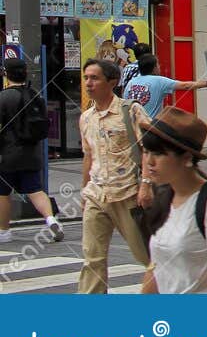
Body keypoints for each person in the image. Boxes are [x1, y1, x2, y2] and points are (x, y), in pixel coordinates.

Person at [137, 107, 207, 294]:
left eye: (158, 154)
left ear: (187, 158)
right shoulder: (164, 198)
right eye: (146, 152)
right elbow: (156, 268)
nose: (149, 162)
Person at [77, 58, 152, 292]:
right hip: (96, 196)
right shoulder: (86, 118)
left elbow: (149, 149)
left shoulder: (130, 110)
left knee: (146, 255)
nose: (89, 83)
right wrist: (84, 190)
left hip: (128, 193)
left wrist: (146, 185)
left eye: (95, 78)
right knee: (93, 259)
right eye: (86, 77)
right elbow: (88, 157)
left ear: (112, 82)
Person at [0, 58, 63, 245]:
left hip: (7, 154)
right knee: (35, 190)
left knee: (2, 193)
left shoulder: (3, 97)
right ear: (25, 73)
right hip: (32, 152)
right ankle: (51, 220)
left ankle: (3, 231)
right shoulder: (36, 95)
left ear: (5, 74)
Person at [122, 51, 207, 118]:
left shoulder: (131, 82)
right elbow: (185, 85)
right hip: (150, 128)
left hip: (132, 128)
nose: (159, 66)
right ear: (154, 68)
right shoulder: (159, 81)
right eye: (158, 64)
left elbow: (125, 102)